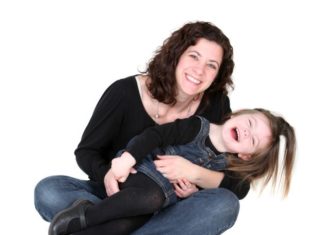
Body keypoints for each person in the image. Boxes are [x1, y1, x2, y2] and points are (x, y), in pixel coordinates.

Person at [34, 21, 247, 235]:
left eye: (211, 65)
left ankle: (102, 227)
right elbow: (86, 152)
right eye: (194, 56)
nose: (199, 71)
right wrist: (108, 175)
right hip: (118, 194)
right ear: (177, 54)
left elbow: (237, 183)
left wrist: (194, 178)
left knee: (225, 203)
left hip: (173, 204)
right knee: (49, 192)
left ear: (217, 75)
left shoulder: (216, 105)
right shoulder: (124, 93)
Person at [48, 108, 296, 235]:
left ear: (246, 155)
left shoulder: (226, 165)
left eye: (252, 140)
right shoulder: (199, 127)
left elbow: (240, 190)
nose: (246, 132)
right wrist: (126, 159)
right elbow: (156, 135)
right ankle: (85, 215)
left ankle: (73, 228)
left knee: (125, 226)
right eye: (249, 123)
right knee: (148, 197)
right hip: (140, 172)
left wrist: (193, 188)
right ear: (239, 114)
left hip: (157, 206)